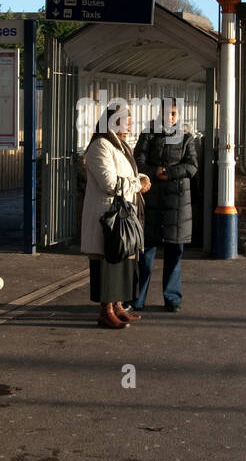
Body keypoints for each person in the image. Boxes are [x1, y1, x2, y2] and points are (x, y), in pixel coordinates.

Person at [81, 99, 152, 328]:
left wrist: (142, 180)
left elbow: (131, 172)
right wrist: (136, 184)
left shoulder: (121, 145)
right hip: (107, 216)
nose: (130, 124)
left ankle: (118, 306)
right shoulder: (100, 146)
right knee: (106, 261)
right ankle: (106, 310)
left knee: (122, 261)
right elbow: (109, 183)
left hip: (123, 213)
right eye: (125, 120)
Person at [133, 98, 198, 312]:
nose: (169, 118)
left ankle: (172, 298)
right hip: (152, 201)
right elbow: (138, 160)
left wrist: (168, 173)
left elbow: (192, 166)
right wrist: (155, 172)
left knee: (174, 253)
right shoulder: (148, 135)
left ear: (177, 115)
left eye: (172, 113)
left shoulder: (187, 137)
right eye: (165, 113)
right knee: (145, 254)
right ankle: (138, 298)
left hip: (178, 203)